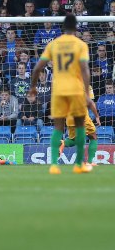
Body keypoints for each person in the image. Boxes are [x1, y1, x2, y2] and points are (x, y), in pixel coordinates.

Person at [29, 14, 93, 174]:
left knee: (58, 127)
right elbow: (85, 69)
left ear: (63, 27)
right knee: (79, 127)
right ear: (76, 27)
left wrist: (33, 87)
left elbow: (37, 68)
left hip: (58, 90)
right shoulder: (80, 45)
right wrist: (86, 91)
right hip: (76, 90)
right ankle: (79, 165)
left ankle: (54, 165)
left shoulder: (53, 44)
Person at [60, 85, 101, 167]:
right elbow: (90, 103)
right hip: (81, 116)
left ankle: (62, 143)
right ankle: (89, 162)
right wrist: (96, 116)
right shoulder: (86, 86)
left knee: (74, 139)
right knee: (93, 136)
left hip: (69, 118)